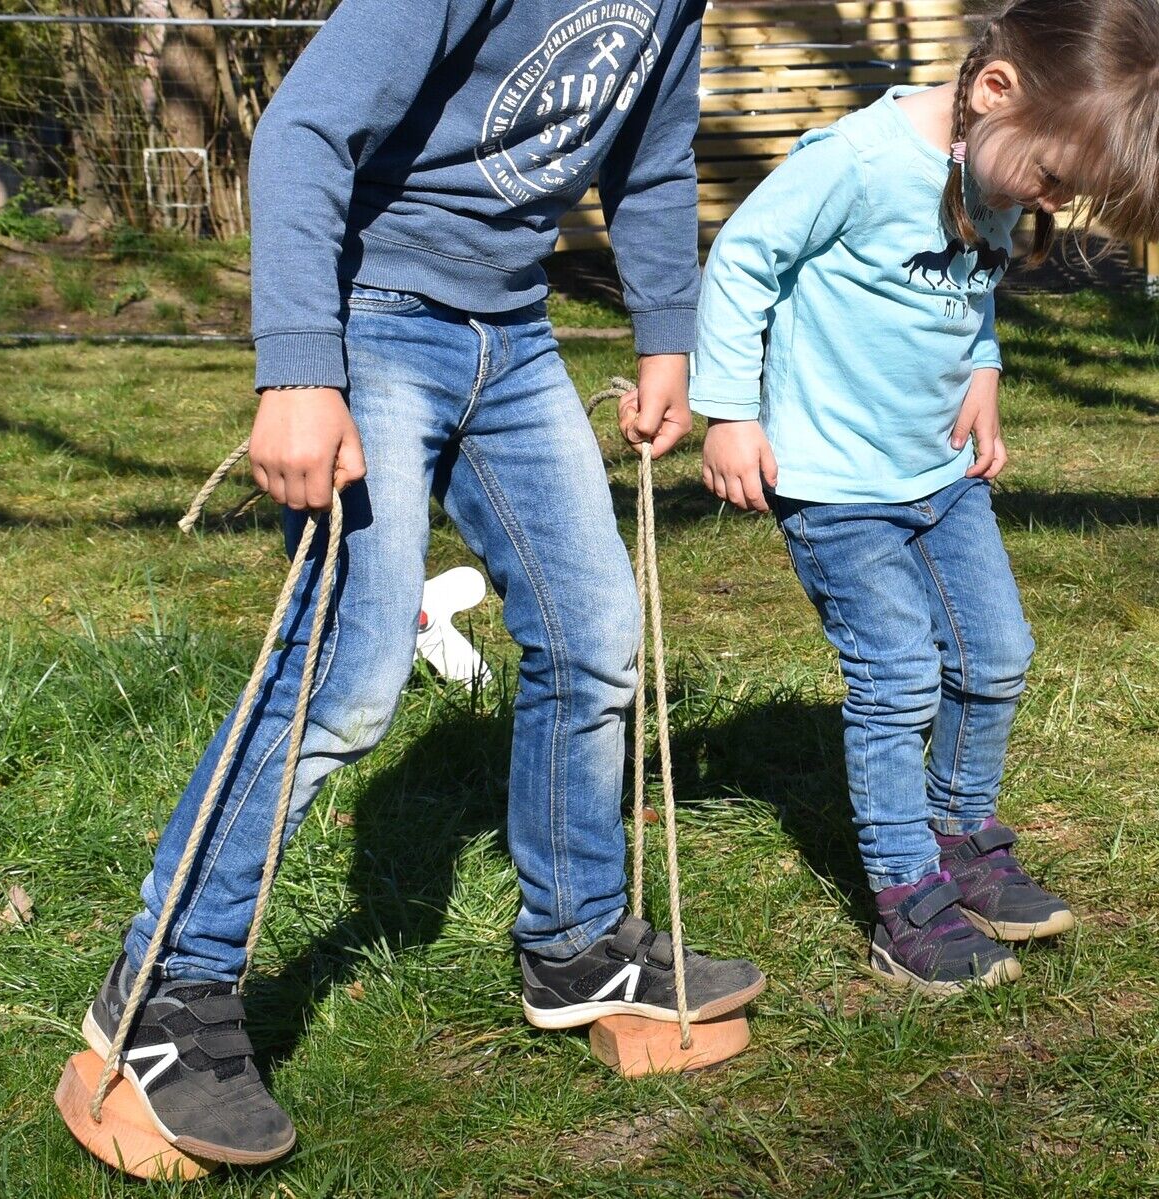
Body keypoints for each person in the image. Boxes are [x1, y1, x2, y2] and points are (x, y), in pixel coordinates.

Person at [81, 0, 766, 1166]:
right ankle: (161, 990)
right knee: (349, 674)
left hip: (513, 330)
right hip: (376, 315)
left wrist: (669, 336)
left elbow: (651, 162)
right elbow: (301, 126)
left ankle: (578, 941)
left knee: (595, 629)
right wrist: (299, 360)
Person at [690, 0, 1159, 994]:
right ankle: (906, 899)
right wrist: (729, 411)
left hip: (939, 476)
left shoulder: (987, 159)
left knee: (996, 654)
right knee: (899, 674)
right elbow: (741, 260)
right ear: (995, 91)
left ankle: (959, 836)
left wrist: (982, 370)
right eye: (1052, 180)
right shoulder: (857, 163)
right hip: (836, 484)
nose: (1050, 202)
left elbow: (968, 282)